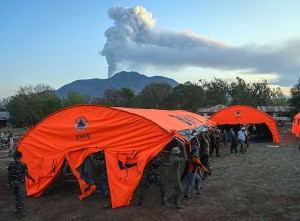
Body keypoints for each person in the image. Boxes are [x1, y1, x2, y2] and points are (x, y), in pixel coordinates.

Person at [8, 151, 35, 219]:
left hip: (14, 183)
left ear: (14, 156)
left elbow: (9, 174)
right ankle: (20, 213)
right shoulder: (23, 165)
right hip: (21, 183)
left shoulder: (11, 164)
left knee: (16, 197)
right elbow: (27, 175)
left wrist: (10, 183)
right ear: (21, 156)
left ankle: (17, 211)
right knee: (21, 198)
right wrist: (32, 179)